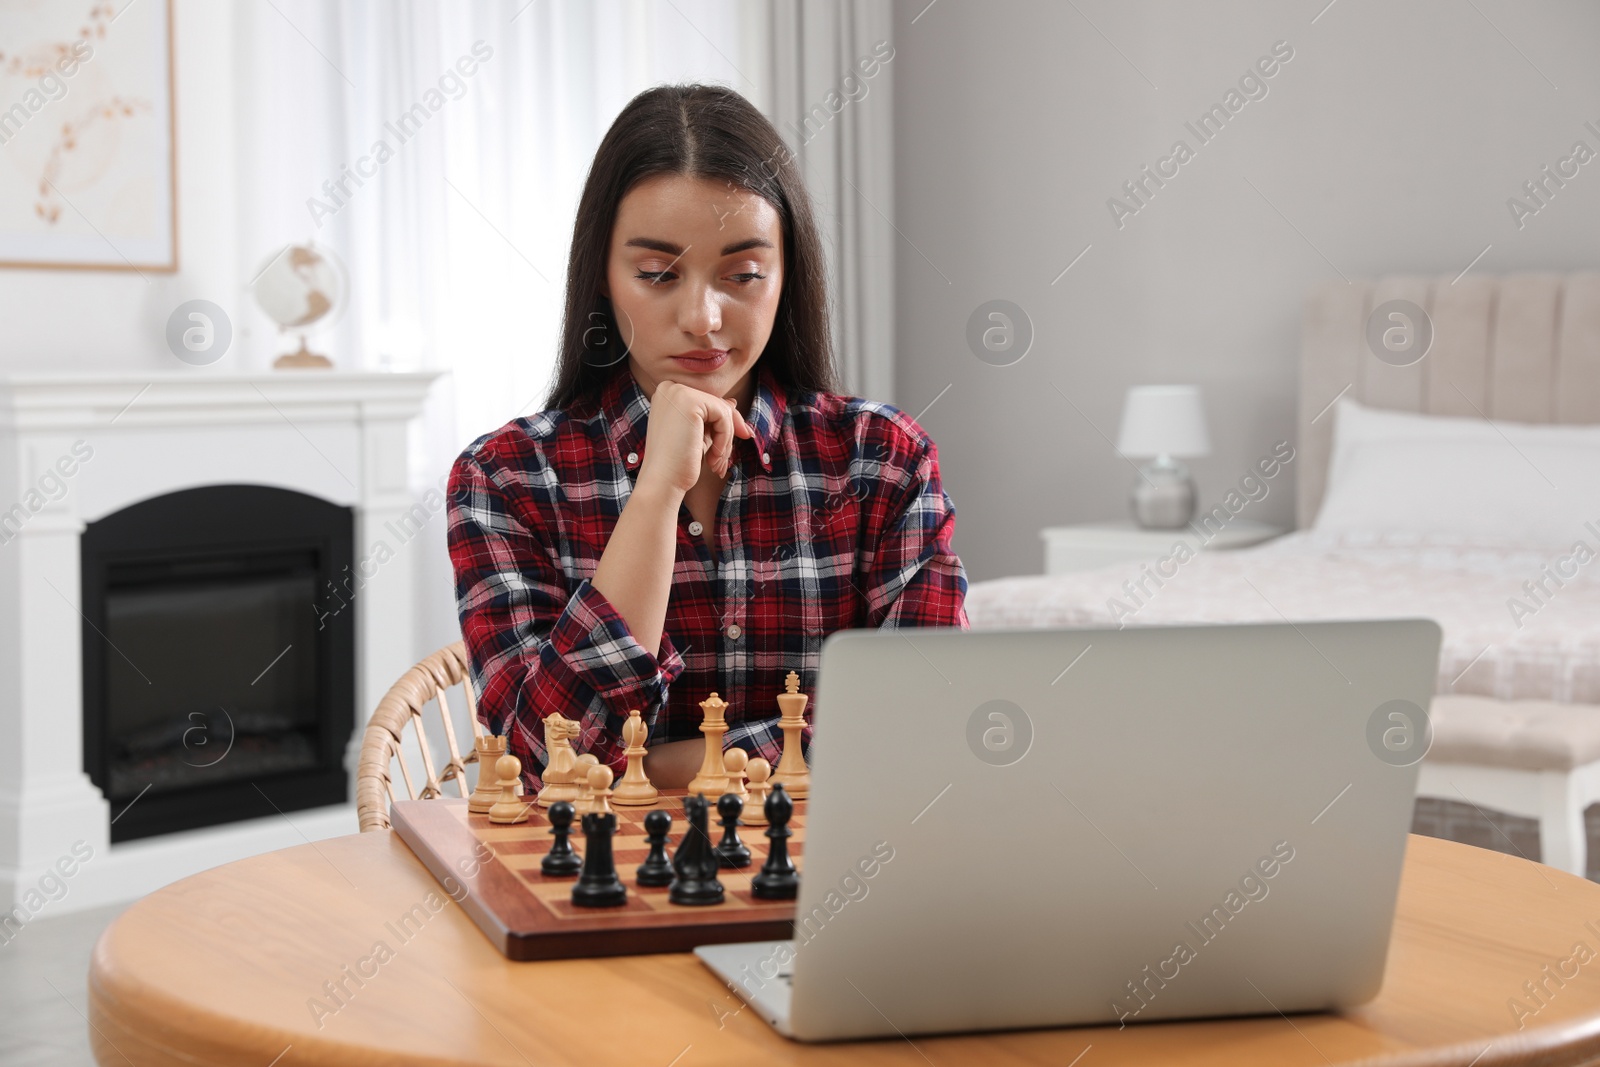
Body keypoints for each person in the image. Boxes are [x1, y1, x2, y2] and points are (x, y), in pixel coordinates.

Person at [446, 83, 967, 793]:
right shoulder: (505, 478)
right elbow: (543, 758)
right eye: (658, 274)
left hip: (845, 883)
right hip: (608, 897)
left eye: (743, 275)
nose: (703, 316)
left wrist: (664, 765)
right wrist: (656, 494)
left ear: (788, 277)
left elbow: (928, 722)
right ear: (602, 275)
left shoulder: (882, 459)